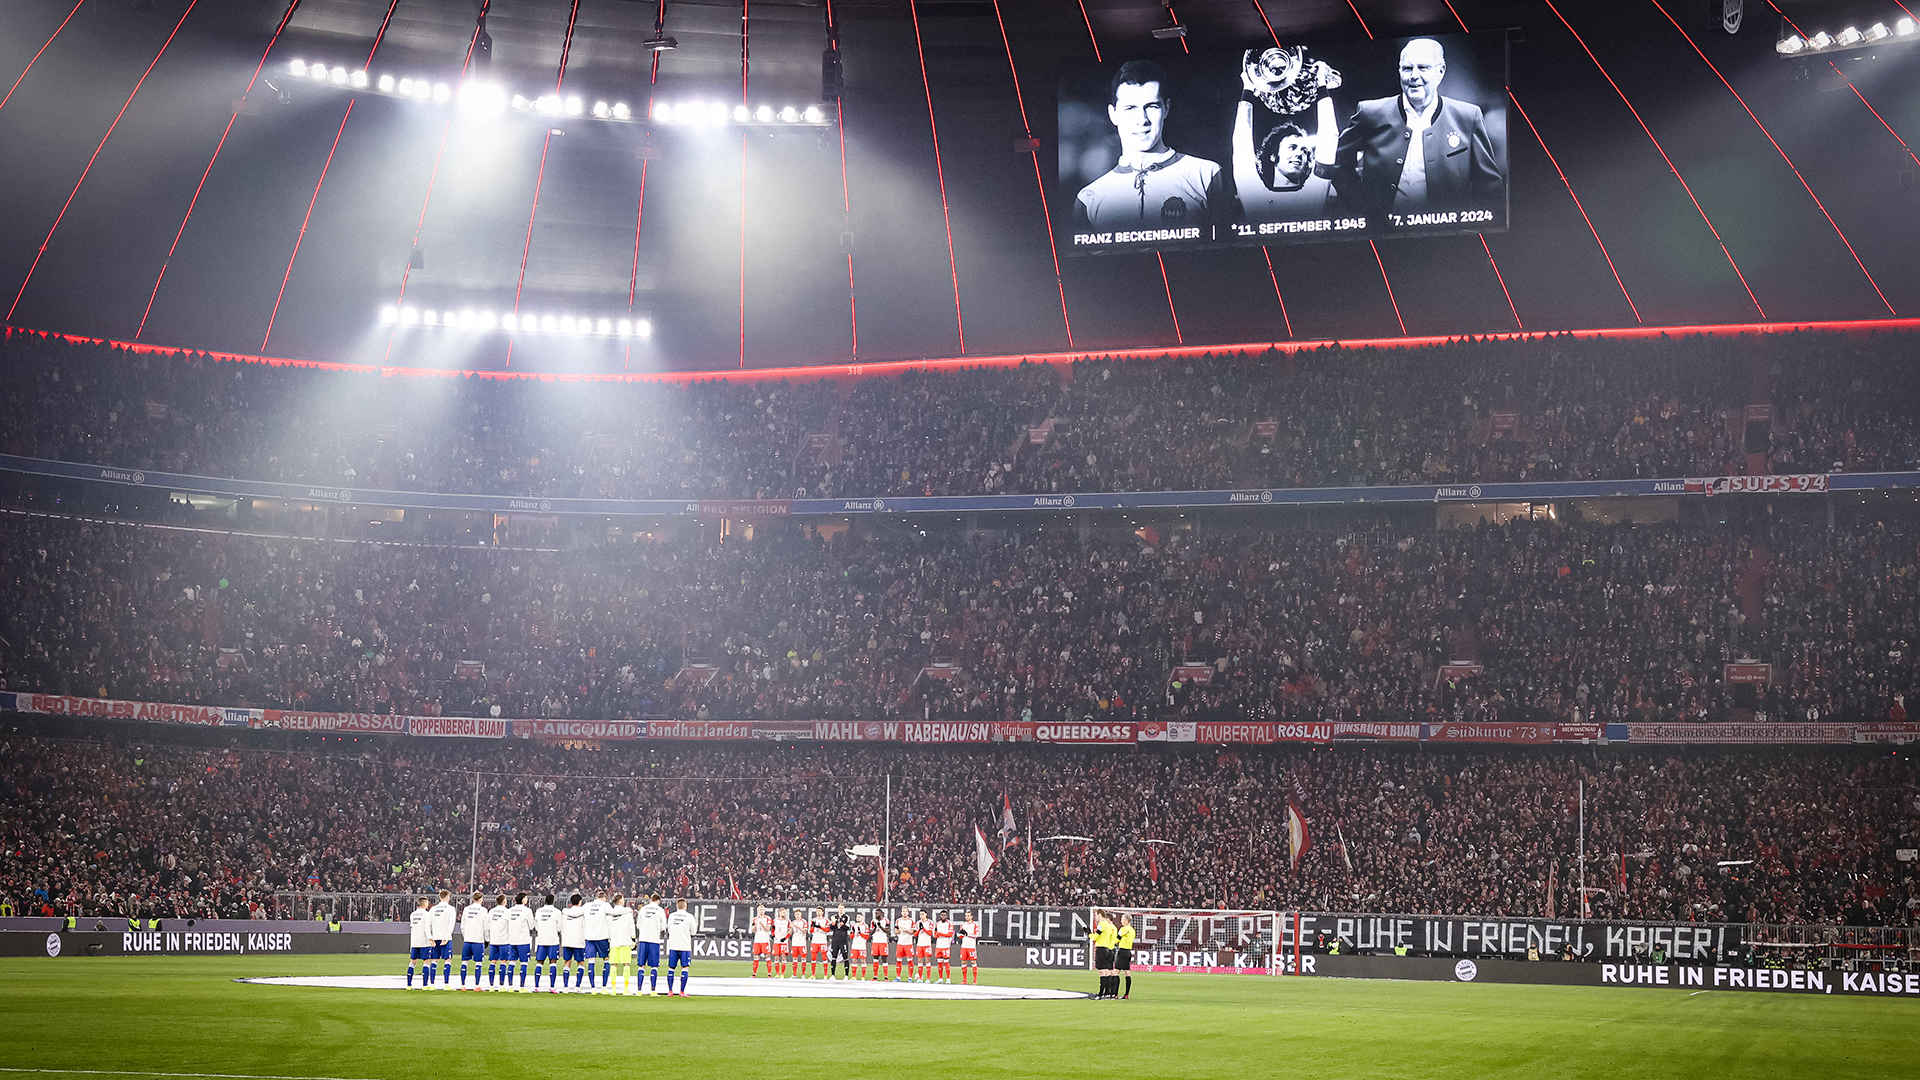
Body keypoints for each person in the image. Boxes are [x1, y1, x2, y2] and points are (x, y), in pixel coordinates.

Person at [1325, 38, 1502, 224]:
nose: (1414, 76)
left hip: (1448, 239)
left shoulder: (1468, 116)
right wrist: (1361, 208)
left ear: (1440, 71)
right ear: (1399, 71)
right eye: (1407, 68)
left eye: (1423, 68)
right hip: (1382, 234)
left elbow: (1489, 186)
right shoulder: (1370, 113)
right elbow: (1338, 162)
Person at [1073, 60, 1226, 232]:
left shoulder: (1206, 175)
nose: (1142, 120)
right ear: (1113, 114)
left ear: (1166, 109)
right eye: (1130, 108)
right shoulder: (1089, 198)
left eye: (1152, 106)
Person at [1232, 48, 1340, 223]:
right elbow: (1241, 144)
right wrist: (1248, 90)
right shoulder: (1252, 194)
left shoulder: (1316, 190)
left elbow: (1330, 138)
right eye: (1292, 147)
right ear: (1273, 156)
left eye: (1305, 151)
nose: (1300, 154)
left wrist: (1322, 85)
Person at [636, 894, 667, 994]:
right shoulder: (660, 910)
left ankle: (639, 990)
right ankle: (653, 990)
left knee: (641, 965)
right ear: (658, 901)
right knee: (654, 966)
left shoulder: (643, 909)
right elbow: (664, 926)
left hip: (643, 939)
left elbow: (638, 925)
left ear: (650, 900)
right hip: (654, 940)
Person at [664, 899, 696, 996]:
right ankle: (682, 991)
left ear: (677, 906)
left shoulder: (672, 916)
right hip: (685, 946)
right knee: (685, 968)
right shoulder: (690, 916)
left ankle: (670, 991)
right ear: (685, 906)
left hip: (673, 945)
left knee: (671, 968)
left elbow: (669, 929)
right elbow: (693, 932)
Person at [458, 891, 489, 990]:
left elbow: (462, 925)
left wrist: (466, 936)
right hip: (478, 940)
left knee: (464, 962)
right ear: (481, 899)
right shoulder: (483, 910)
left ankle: (463, 985)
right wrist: (487, 939)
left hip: (467, 940)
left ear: (473, 899)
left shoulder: (466, 909)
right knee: (478, 962)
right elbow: (485, 926)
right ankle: (477, 985)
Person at [607, 893, 637, 995]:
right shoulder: (627, 913)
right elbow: (631, 927)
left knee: (614, 965)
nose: (624, 902)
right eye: (623, 900)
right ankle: (625, 989)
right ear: (620, 901)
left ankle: (614, 989)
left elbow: (607, 928)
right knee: (626, 964)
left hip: (614, 942)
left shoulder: (609, 914)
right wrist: (633, 938)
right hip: (625, 941)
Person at [583, 888, 612, 991]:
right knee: (606, 960)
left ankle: (593, 988)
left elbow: (577, 913)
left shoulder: (587, 906)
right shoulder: (605, 905)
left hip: (589, 937)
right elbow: (613, 913)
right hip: (602, 937)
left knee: (591, 961)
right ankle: (604, 987)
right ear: (604, 898)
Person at [428, 888, 457, 988]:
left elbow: (427, 925)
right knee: (447, 960)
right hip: (446, 938)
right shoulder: (451, 909)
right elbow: (451, 924)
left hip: (435, 937)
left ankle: (431, 984)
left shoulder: (433, 909)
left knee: (434, 960)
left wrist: (430, 937)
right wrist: (447, 936)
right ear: (448, 897)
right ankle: (446, 984)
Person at [533, 893, 563, 991]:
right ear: (553, 901)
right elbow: (559, 927)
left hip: (541, 939)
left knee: (539, 963)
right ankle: (552, 987)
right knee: (553, 962)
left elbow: (536, 927)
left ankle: (536, 986)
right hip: (552, 940)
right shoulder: (557, 912)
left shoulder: (539, 911)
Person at [560, 892, 589, 990]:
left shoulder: (565, 913)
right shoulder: (583, 912)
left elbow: (561, 927)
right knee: (581, 962)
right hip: (578, 940)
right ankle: (577, 986)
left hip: (567, 940)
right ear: (580, 902)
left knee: (567, 962)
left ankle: (566, 987)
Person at [507, 892, 536, 991]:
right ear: (523, 899)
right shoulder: (527, 911)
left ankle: (510, 986)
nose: (527, 900)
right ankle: (522, 986)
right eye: (526, 898)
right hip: (523, 940)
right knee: (524, 963)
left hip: (512, 940)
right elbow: (532, 926)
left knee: (511, 963)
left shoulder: (510, 910)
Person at [1089, 909, 1118, 999]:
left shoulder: (1102, 924)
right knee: (1107, 972)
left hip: (1101, 948)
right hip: (1107, 948)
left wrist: (1089, 934)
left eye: (1096, 916)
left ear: (1100, 915)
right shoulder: (1109, 925)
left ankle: (1101, 994)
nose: (1096, 918)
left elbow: (1096, 936)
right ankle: (1108, 993)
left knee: (1102, 972)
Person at [485, 894, 512, 990]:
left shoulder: (491, 911)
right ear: (504, 901)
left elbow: (487, 926)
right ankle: (501, 985)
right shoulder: (507, 912)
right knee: (503, 962)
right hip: (504, 940)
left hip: (494, 940)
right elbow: (510, 926)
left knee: (493, 962)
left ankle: (491, 985)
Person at [407, 896, 433, 989]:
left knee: (413, 962)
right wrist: (431, 938)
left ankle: (409, 985)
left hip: (414, 942)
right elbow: (427, 927)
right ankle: (425, 985)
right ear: (425, 904)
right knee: (426, 961)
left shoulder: (413, 914)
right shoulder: (427, 914)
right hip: (424, 941)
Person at [828, 905, 852, 980]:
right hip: (835, 939)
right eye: (840, 908)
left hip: (843, 939)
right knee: (833, 956)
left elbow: (847, 928)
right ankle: (832, 975)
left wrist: (842, 924)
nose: (841, 910)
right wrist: (833, 924)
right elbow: (831, 928)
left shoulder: (846, 917)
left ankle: (846, 975)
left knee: (845, 956)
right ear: (838, 909)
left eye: (842, 908)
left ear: (844, 909)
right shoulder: (834, 917)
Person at [1116, 914, 1137, 999]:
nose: (1121, 921)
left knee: (1115, 972)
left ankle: (1115, 994)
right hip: (1128, 952)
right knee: (1127, 973)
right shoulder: (1132, 930)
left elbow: (1117, 939)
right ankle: (1126, 994)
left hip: (1122, 951)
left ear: (1126, 921)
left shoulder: (1124, 929)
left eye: (1122, 919)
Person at [958, 911, 981, 985]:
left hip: (971, 946)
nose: (967, 917)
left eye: (968, 916)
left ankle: (975, 980)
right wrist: (961, 934)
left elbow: (976, 935)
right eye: (966, 916)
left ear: (971, 917)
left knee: (973, 962)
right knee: (963, 962)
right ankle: (964, 980)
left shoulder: (975, 925)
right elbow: (960, 936)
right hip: (964, 945)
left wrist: (967, 934)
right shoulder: (962, 925)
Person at [808, 906, 831, 978]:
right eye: (817, 911)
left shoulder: (826, 920)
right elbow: (810, 931)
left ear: (822, 912)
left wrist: (820, 927)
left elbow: (827, 930)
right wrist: (813, 926)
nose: (818, 912)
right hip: (814, 941)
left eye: (820, 911)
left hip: (822, 941)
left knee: (824, 958)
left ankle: (825, 975)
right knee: (813, 958)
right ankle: (813, 974)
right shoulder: (813, 920)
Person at [750, 905, 772, 977]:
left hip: (765, 940)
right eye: (760, 910)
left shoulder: (768, 918)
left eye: (762, 910)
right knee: (756, 956)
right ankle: (754, 973)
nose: (761, 911)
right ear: (758, 911)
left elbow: (768, 929)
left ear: (764, 911)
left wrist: (762, 924)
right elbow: (753, 931)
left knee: (767, 956)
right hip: (757, 940)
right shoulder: (755, 919)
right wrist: (756, 924)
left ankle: (769, 974)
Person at [934, 910, 954, 984]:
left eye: (944, 915)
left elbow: (950, 934)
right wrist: (939, 934)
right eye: (942, 915)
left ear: (947, 916)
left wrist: (941, 934)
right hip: (939, 945)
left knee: (946, 961)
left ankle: (948, 978)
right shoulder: (937, 924)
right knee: (939, 962)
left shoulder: (949, 923)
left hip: (946, 945)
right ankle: (940, 978)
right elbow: (935, 934)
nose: (943, 916)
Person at [869, 907, 889, 981]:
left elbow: (888, 931)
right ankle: (875, 976)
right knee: (875, 959)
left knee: (884, 959)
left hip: (883, 942)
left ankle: (886, 977)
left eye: (877, 913)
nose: (876, 915)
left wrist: (880, 926)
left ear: (881, 914)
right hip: (875, 942)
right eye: (875, 913)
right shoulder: (873, 921)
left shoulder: (885, 920)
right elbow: (870, 933)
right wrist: (874, 927)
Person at [850, 909, 870, 980]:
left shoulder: (865, 926)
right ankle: (854, 976)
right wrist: (853, 932)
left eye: (859, 917)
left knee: (863, 961)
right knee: (854, 961)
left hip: (862, 946)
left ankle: (863, 976)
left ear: (862, 918)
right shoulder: (853, 925)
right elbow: (851, 937)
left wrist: (860, 932)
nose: (858, 918)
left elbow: (867, 937)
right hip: (854, 946)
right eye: (857, 917)